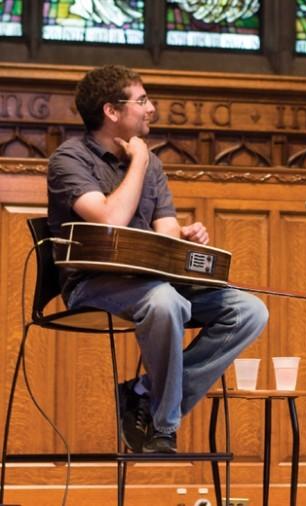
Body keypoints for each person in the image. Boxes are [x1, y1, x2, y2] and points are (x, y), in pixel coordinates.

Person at [47, 65, 269, 454]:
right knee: (166, 302)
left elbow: (165, 233)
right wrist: (139, 162)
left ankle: (144, 394)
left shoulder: (152, 165)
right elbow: (111, 220)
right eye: (143, 100)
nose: (152, 108)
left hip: (152, 280)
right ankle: (164, 427)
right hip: (92, 284)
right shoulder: (70, 160)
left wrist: (185, 235)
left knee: (250, 310)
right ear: (112, 111)